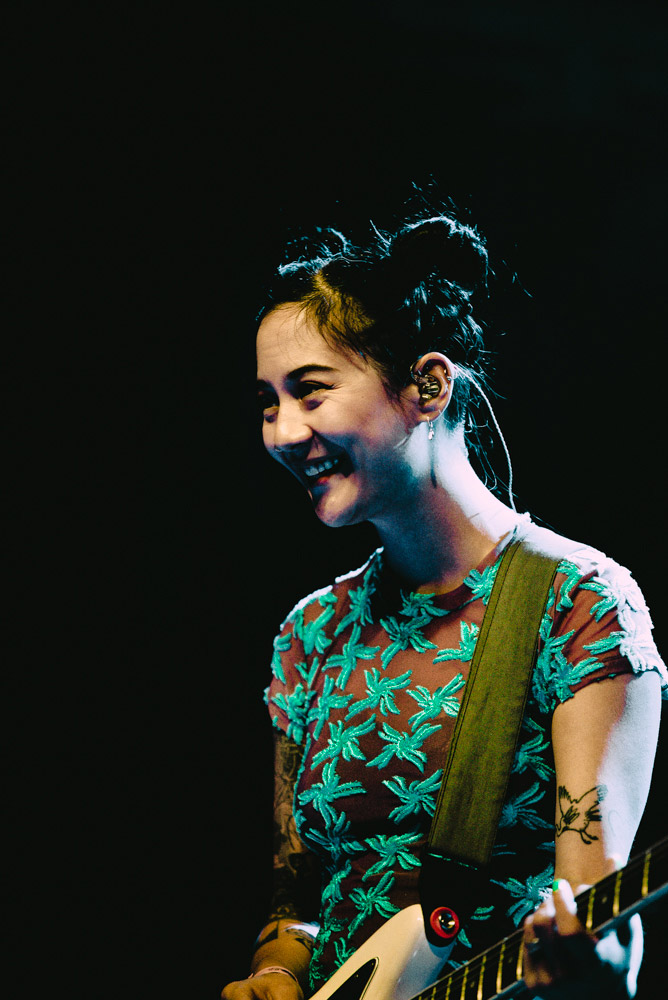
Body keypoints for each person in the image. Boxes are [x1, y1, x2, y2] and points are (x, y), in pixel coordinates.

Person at [221, 204, 666, 1000]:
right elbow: (299, 890)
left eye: (311, 392)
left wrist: (598, 974)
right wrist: (277, 970)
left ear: (427, 386)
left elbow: (593, 911)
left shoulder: (578, 604)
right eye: (267, 401)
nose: (282, 432)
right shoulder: (310, 635)